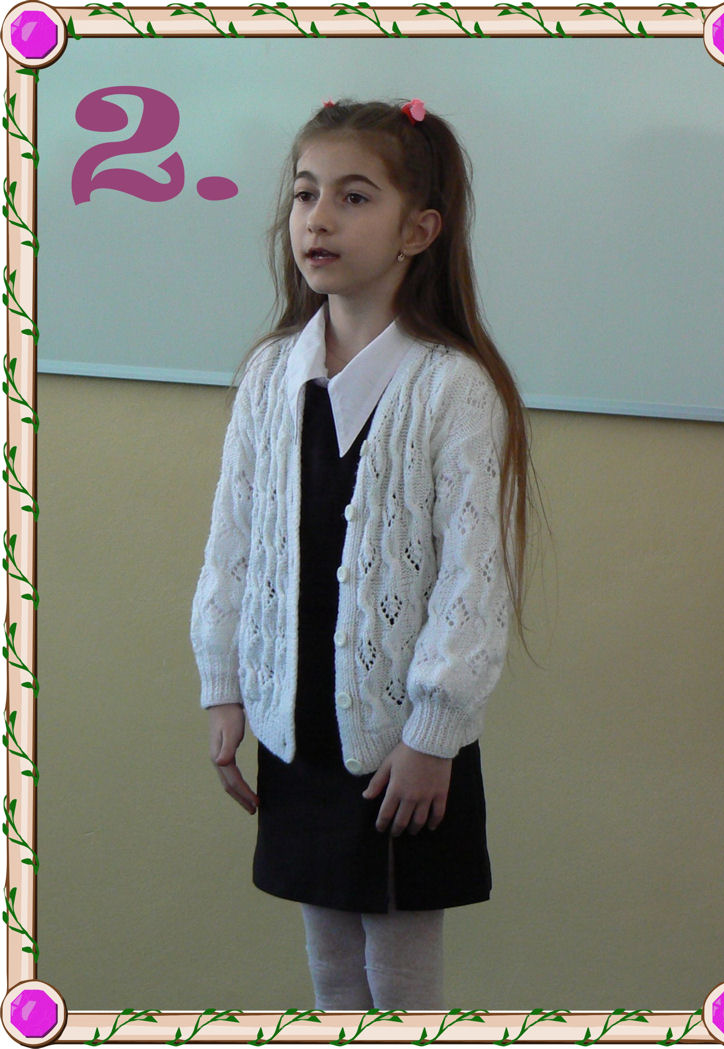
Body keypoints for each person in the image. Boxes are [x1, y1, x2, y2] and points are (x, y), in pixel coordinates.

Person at [190, 98, 534, 1011]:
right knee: (334, 970)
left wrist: (431, 735)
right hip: (294, 725)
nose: (319, 218)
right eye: (306, 194)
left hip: (402, 746)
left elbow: (473, 580)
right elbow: (232, 542)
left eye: (353, 196)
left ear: (419, 230)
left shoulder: (452, 388)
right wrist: (225, 686)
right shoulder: (270, 373)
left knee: (401, 979)